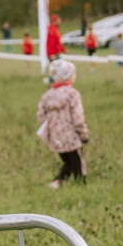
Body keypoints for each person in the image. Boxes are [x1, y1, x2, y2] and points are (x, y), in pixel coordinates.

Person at [38, 59, 89, 189]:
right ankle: (79, 186)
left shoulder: (47, 96)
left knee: (68, 160)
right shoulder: (73, 94)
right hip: (72, 135)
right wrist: (84, 133)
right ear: (67, 76)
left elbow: (40, 116)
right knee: (77, 162)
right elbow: (78, 117)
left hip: (55, 136)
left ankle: (58, 182)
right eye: (73, 74)